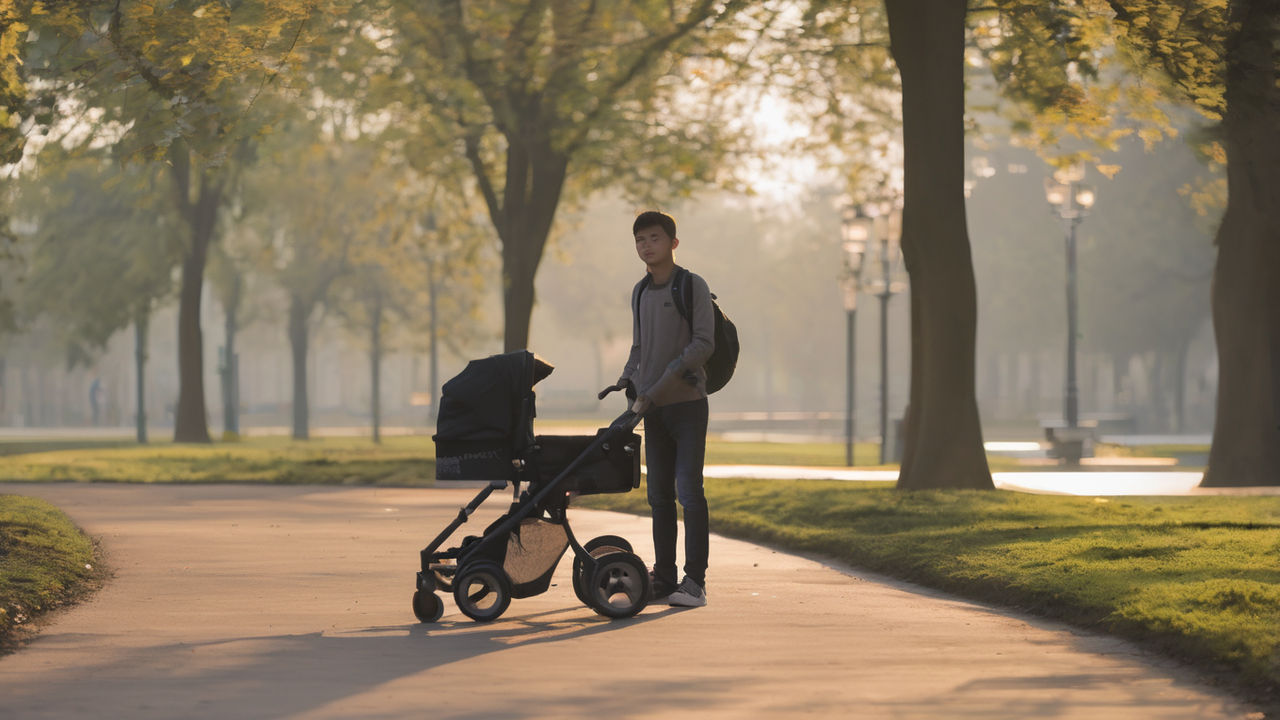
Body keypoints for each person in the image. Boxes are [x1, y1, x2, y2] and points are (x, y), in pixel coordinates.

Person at [602, 210, 715, 608]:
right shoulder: (640, 291)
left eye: (653, 238)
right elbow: (639, 347)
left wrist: (660, 383)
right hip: (651, 408)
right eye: (639, 241)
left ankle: (695, 582)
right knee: (659, 497)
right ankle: (664, 578)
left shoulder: (691, 286)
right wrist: (626, 379)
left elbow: (703, 344)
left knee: (690, 492)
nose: (646, 246)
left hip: (686, 407)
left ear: (672, 243)